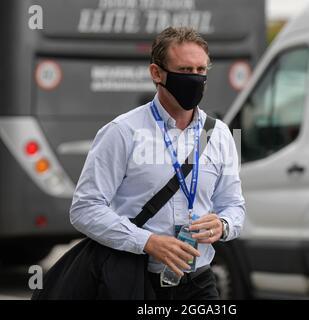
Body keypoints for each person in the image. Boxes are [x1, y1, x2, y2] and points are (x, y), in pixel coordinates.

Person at [69, 26, 245, 300]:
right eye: (185, 71)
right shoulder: (122, 131)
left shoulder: (220, 134)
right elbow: (84, 209)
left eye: (201, 71)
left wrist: (223, 225)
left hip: (199, 282)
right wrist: (148, 242)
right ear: (156, 73)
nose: (195, 79)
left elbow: (234, 205)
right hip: (134, 280)